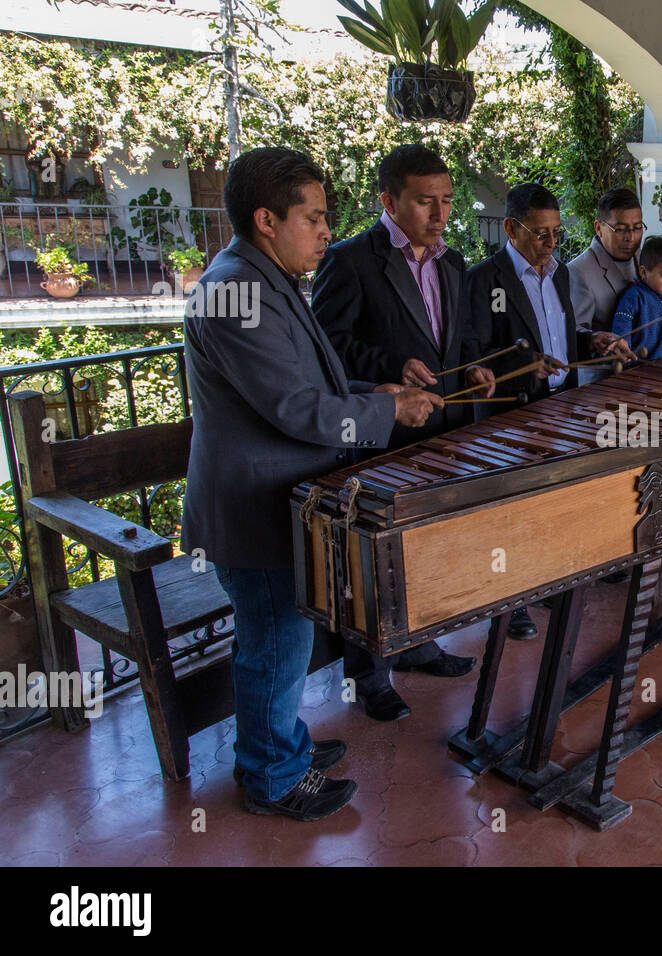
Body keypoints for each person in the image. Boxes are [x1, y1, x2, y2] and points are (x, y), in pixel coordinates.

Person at [182, 146, 440, 820]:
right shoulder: (236, 292)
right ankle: (273, 776)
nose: (328, 230)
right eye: (315, 217)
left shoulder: (264, 278)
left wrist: (373, 388)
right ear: (267, 219)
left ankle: (277, 743)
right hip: (251, 512)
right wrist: (387, 411)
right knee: (275, 642)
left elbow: (313, 385)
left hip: (275, 504)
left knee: (279, 637)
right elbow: (296, 411)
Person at [312, 144, 483, 722]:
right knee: (373, 559)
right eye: (424, 202)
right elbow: (327, 350)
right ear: (388, 200)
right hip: (382, 435)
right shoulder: (350, 260)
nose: (439, 214)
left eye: (447, 201)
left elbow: (453, 341)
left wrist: (475, 366)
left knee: (428, 550)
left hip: (443, 431)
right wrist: (387, 371)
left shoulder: (453, 262)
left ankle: (419, 644)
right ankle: (369, 674)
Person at [466, 182, 634, 638]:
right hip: (513, 413)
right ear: (510, 229)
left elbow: (560, 336)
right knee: (512, 511)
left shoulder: (559, 273)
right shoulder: (483, 280)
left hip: (562, 404)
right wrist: (525, 365)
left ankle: (551, 579)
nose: (551, 243)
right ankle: (512, 602)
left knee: (555, 503)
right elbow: (474, 353)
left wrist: (591, 340)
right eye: (541, 234)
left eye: (557, 233)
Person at [569, 187, 662, 382]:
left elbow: (658, 307)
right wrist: (597, 341)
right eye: (620, 230)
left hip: (654, 374)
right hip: (604, 381)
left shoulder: (642, 256)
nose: (631, 237)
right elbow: (573, 336)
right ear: (598, 228)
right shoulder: (578, 271)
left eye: (637, 228)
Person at [611, 236, 662, 360]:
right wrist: (624, 349)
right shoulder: (634, 296)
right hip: (643, 368)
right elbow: (622, 324)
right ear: (644, 272)